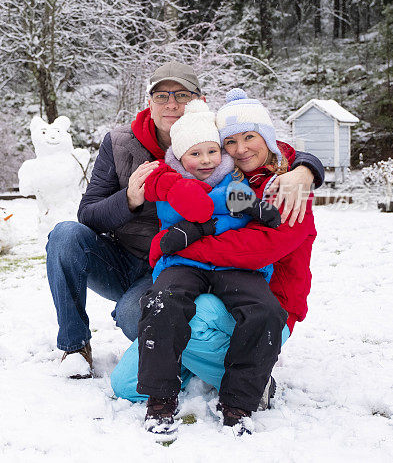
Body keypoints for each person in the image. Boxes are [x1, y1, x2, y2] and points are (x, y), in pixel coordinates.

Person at [46, 62, 324, 379]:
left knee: (131, 315)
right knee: (66, 234)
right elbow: (89, 214)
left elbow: (265, 147)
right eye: (162, 95)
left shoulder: (213, 136)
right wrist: (130, 199)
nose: (172, 104)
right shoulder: (120, 143)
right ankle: (75, 346)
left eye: (182, 95)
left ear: (199, 102)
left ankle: (212, 365)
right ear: (149, 102)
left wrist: (306, 168)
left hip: (178, 266)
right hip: (127, 257)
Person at [110, 89, 319, 434]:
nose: (241, 148)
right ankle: (211, 370)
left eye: (250, 137)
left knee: (189, 312)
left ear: (267, 138)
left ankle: (247, 388)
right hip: (209, 289)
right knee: (126, 383)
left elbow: (251, 250)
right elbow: (167, 178)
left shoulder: (290, 187)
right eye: (230, 141)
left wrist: (174, 244)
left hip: (267, 307)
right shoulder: (226, 175)